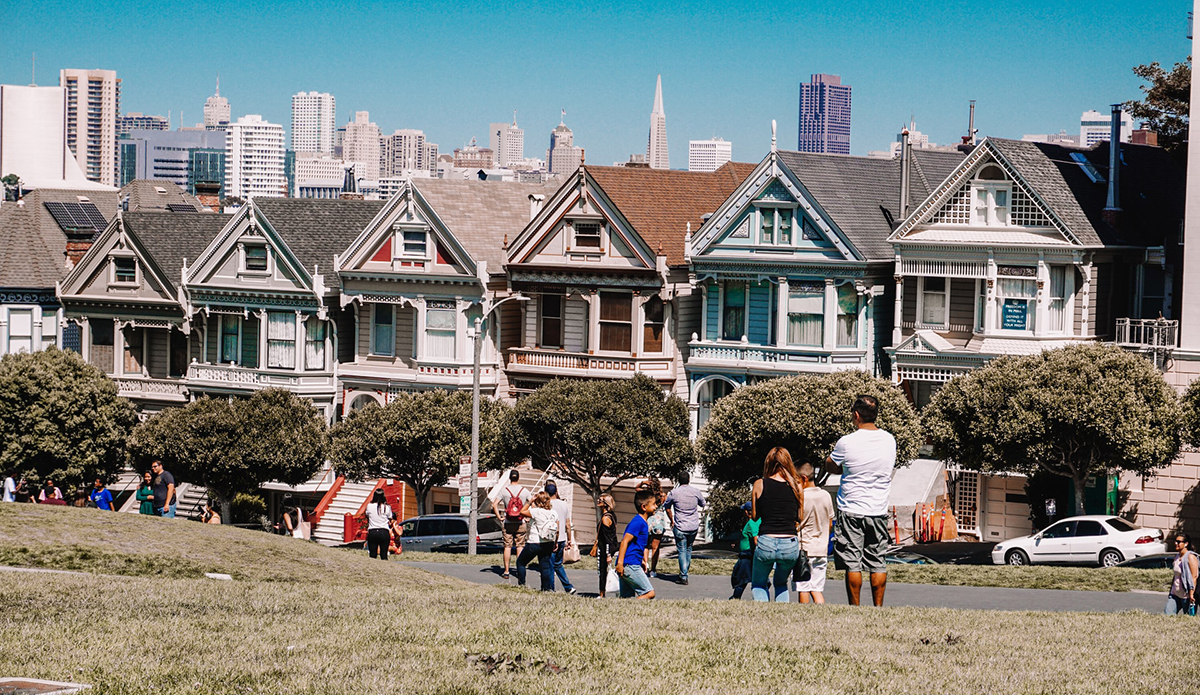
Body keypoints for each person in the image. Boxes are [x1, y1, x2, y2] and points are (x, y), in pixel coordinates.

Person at [825, 394, 896, 607]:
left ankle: (855, 607)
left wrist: (842, 468)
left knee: (852, 562)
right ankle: (878, 607)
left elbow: (830, 464)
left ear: (856, 415)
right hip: (877, 509)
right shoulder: (889, 440)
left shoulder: (846, 442)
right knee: (878, 562)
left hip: (851, 508)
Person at [750, 447, 804, 603]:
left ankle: (762, 616)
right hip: (790, 542)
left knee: (759, 583)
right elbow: (799, 517)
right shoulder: (797, 486)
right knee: (781, 583)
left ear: (768, 463)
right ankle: (781, 616)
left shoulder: (760, 484)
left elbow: (754, 517)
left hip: (767, 540)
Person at [793, 463, 833, 604]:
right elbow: (829, 522)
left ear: (803, 479)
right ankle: (821, 612)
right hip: (821, 549)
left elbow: (796, 522)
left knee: (803, 587)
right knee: (816, 588)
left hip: (803, 549)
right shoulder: (825, 495)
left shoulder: (800, 497)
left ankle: (804, 614)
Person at [662, 471, 707, 585]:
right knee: (688, 549)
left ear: (678, 480)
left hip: (680, 525)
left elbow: (666, 507)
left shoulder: (674, 493)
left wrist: (671, 519)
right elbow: (703, 503)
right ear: (689, 479)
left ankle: (683, 575)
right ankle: (684, 572)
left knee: (682, 550)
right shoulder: (695, 491)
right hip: (693, 526)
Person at [616, 488, 657, 599]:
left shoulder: (642, 522)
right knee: (649, 593)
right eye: (653, 504)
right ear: (644, 507)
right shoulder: (638, 522)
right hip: (630, 564)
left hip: (631, 563)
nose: (656, 506)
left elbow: (636, 546)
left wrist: (642, 561)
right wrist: (620, 563)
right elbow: (624, 541)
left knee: (626, 597)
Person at [491, 469, 530, 579]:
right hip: (520, 522)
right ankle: (519, 570)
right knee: (520, 546)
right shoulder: (524, 491)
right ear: (518, 478)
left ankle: (507, 571)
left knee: (507, 547)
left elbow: (494, 504)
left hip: (508, 522)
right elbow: (532, 502)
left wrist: (500, 517)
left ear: (509, 478)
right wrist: (527, 516)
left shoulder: (504, 490)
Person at [515, 491, 558, 591]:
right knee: (545, 566)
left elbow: (521, 512)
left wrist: (530, 502)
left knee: (521, 562)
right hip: (548, 542)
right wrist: (555, 543)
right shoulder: (554, 513)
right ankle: (546, 588)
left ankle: (522, 585)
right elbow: (557, 529)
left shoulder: (536, 511)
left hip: (535, 542)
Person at [545, 481, 576, 595]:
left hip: (551, 538)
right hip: (562, 538)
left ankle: (550, 588)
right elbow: (568, 524)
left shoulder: (547, 505)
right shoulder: (563, 504)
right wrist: (569, 539)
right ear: (556, 492)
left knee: (550, 565)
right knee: (558, 564)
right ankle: (568, 587)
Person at [637, 477, 669, 577]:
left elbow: (636, 489)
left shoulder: (647, 495)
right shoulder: (663, 495)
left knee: (646, 545)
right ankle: (653, 570)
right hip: (659, 522)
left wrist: (642, 482)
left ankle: (645, 566)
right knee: (656, 547)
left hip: (649, 520)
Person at [591, 493, 619, 598]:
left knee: (602, 570)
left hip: (605, 547)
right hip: (609, 545)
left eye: (601, 500)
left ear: (606, 503)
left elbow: (608, 538)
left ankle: (602, 594)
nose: (598, 501)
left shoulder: (605, 518)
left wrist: (608, 554)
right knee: (604, 570)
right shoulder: (611, 515)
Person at [730, 501, 759, 600]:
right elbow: (747, 536)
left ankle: (736, 597)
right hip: (748, 553)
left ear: (747, 512)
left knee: (741, 577)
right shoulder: (758, 521)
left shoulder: (752, 523)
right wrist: (738, 542)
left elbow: (755, 539)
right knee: (750, 577)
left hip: (747, 555)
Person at [1166, 532, 1199, 615]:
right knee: (1167, 615)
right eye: (1175, 541)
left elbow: (1194, 576)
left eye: (1178, 542)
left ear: (1186, 544)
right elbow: (1176, 576)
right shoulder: (1177, 557)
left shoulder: (1191, 557)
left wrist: (1191, 594)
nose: (1175, 543)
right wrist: (1171, 591)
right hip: (1175, 594)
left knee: (1188, 619)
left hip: (1186, 596)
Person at [363, 489, 398, 560]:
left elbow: (367, 515)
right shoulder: (387, 507)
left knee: (372, 555)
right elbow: (390, 517)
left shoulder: (369, 506)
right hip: (384, 531)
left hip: (373, 531)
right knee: (384, 554)